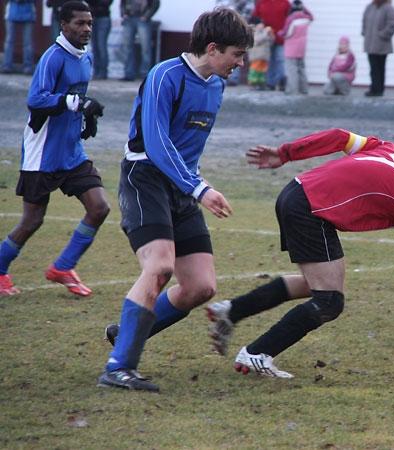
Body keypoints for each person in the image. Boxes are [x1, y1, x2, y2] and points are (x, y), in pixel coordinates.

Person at [205, 128, 394, 378]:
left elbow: (339, 137)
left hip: (297, 192)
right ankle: (256, 354)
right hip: (310, 209)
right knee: (330, 301)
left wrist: (286, 153)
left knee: (315, 286)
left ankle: (231, 311)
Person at [97, 8, 254, 392]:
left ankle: (129, 331)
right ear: (213, 48)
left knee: (201, 288)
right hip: (145, 177)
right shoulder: (164, 76)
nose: (241, 62)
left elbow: (188, 148)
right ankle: (119, 367)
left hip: (182, 185)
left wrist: (195, 184)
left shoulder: (217, 85)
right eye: (237, 53)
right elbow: (156, 143)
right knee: (159, 267)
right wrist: (200, 189)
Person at [0, 1, 109, 298]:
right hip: (43, 153)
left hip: (71, 152)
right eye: (79, 23)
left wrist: (85, 116)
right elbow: (36, 100)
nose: (86, 28)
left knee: (99, 207)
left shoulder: (85, 57)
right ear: (63, 25)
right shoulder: (53, 57)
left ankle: (63, 267)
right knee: (32, 221)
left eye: (89, 23)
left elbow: (76, 98)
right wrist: (75, 103)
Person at [252, 0, 290, 91]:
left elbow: (290, 19)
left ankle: (281, 82)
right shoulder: (261, 3)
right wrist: (259, 29)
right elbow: (254, 18)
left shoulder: (285, 3)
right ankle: (270, 83)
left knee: (280, 59)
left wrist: (286, 32)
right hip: (265, 38)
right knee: (268, 61)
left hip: (280, 38)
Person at [361, 0, 394, 97]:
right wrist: (365, 33)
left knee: (380, 67)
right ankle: (373, 88)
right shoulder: (369, 7)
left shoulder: (388, 8)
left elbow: (392, 24)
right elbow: (364, 21)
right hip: (370, 44)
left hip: (382, 45)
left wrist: (382, 35)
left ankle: (379, 89)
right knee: (373, 68)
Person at [119, 0, 160, 81]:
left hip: (143, 19)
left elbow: (155, 4)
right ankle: (128, 74)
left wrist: (147, 16)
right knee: (127, 48)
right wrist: (123, 13)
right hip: (129, 18)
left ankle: (145, 74)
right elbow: (122, 3)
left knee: (145, 48)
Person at [278, 0, 313, 95]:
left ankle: (293, 90)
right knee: (301, 68)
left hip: (291, 48)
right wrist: (304, 8)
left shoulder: (291, 18)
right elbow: (312, 16)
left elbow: (286, 33)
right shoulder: (306, 18)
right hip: (302, 47)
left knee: (292, 70)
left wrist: (279, 33)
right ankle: (304, 89)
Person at [2, 0, 36, 74]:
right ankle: (7, 65)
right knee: (10, 41)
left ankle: (28, 67)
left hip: (28, 12)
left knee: (27, 42)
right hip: (12, 11)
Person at [88, 0, 113, 80]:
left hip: (104, 18)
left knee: (101, 46)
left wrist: (96, 3)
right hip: (92, 18)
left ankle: (103, 72)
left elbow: (106, 2)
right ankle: (96, 71)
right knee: (94, 47)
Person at [247, 18, 273, 90]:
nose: (262, 25)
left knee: (262, 71)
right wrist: (265, 33)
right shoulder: (254, 32)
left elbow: (271, 42)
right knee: (255, 70)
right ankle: (252, 83)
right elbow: (257, 40)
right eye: (260, 24)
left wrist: (270, 35)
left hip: (264, 56)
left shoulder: (264, 32)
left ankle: (260, 83)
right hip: (256, 56)